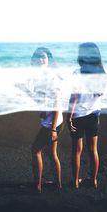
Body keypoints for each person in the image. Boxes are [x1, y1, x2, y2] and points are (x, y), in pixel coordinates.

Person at [67, 42, 107, 189]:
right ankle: (94, 180)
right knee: (93, 149)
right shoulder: (102, 73)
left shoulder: (78, 73)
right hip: (94, 114)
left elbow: (75, 97)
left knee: (77, 151)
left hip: (78, 114)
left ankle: (76, 181)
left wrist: (69, 116)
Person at [30, 47, 63, 194]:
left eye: (44, 57)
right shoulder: (39, 78)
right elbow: (40, 100)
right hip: (51, 121)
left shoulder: (52, 78)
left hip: (52, 123)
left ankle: (37, 185)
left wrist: (53, 129)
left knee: (35, 150)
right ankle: (58, 184)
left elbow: (57, 104)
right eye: (38, 57)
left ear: (49, 59)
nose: (40, 60)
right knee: (51, 153)